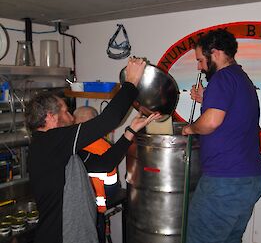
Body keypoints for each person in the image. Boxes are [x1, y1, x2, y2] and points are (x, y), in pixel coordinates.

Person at [25, 57, 162, 243]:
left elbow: (105, 163)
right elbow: (108, 120)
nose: (72, 117)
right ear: (50, 117)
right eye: (66, 111)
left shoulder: (59, 150)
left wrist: (130, 131)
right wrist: (131, 83)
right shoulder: (49, 142)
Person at [182, 29, 261, 243]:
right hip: (249, 179)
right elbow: (232, 115)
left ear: (216, 54)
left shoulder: (222, 78)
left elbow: (211, 122)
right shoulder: (241, 79)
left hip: (225, 180)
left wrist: (190, 128)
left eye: (200, 60)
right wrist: (206, 98)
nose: (199, 66)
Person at [73, 105, 121, 242]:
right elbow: (111, 188)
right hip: (95, 213)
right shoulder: (105, 148)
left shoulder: (67, 145)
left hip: (73, 212)